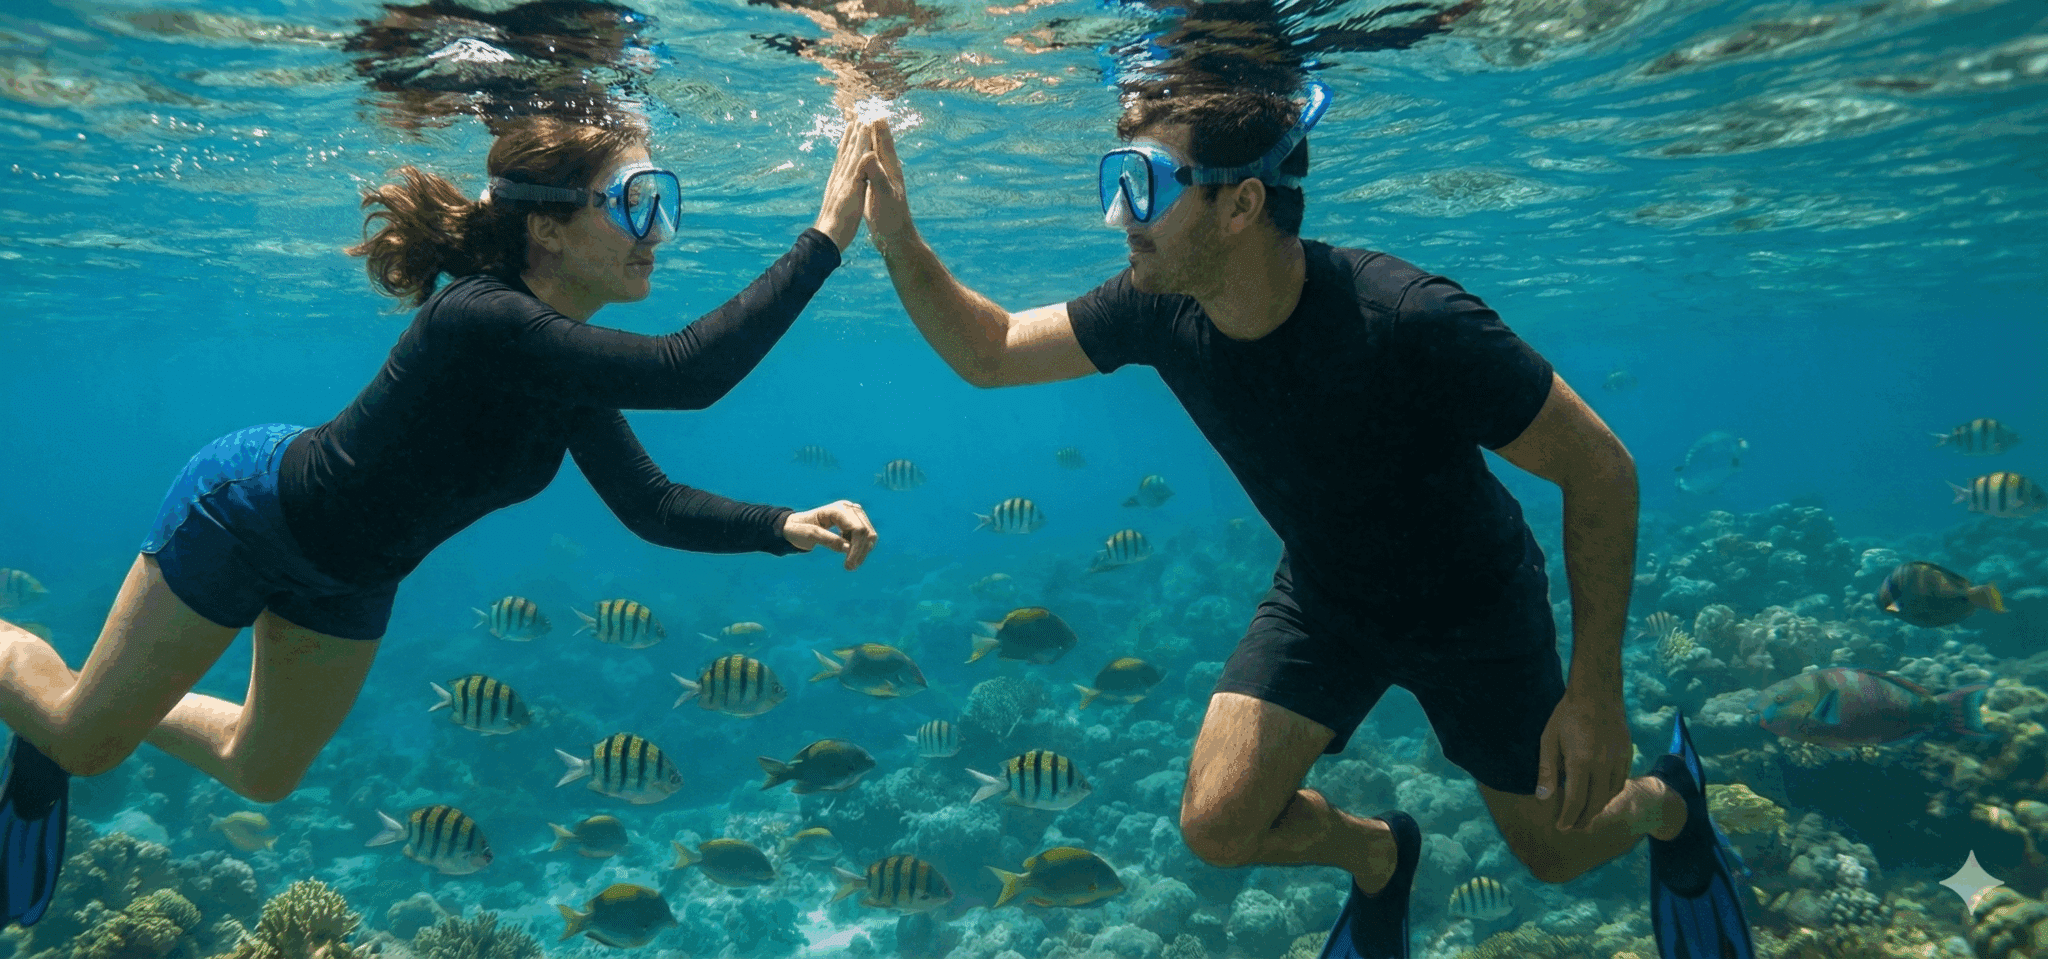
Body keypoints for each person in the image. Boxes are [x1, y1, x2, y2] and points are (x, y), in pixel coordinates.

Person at [853, 81, 1755, 959]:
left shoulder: (1410, 319)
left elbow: (1601, 469)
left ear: (1242, 203)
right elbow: (994, 349)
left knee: (1553, 853)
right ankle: (1379, 854)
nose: (1119, 216)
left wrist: (1595, 692)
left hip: (1473, 603)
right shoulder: (1159, 304)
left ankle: (1667, 797)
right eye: (1114, 181)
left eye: (1145, 185)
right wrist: (894, 234)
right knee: (1216, 825)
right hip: (1326, 595)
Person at [0, 113, 885, 927]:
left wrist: (782, 523)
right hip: (249, 514)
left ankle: (78, 698)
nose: (654, 232)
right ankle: (65, 720)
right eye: (631, 204)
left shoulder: (558, 362)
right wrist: (827, 236)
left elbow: (650, 506)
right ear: (545, 226)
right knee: (86, 743)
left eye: (661, 203)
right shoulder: (482, 317)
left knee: (261, 773)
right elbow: (689, 372)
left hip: (351, 578)